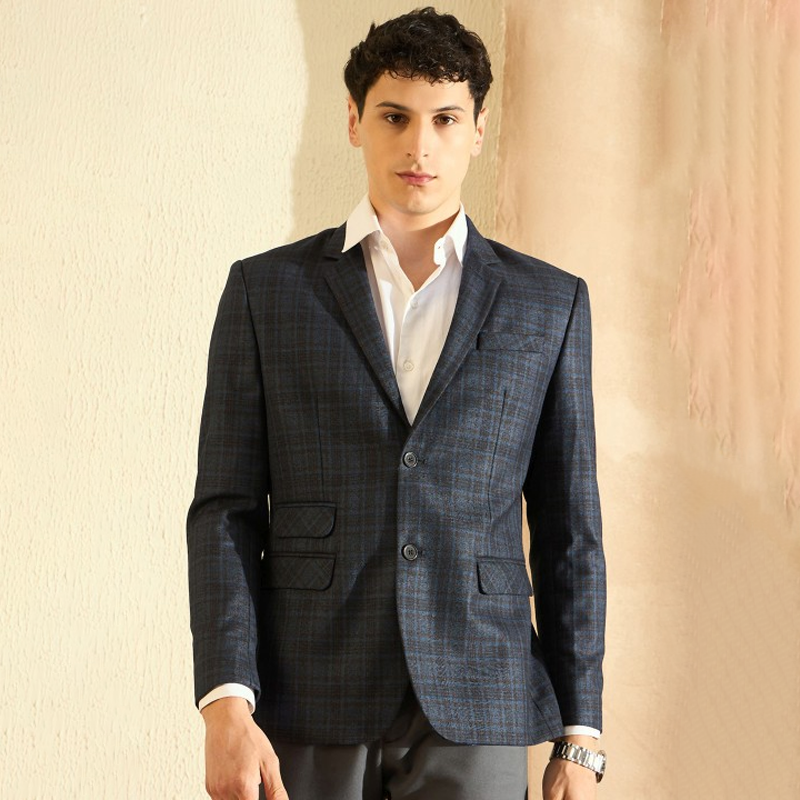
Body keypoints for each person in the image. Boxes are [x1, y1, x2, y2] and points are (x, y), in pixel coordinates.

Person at [187, 7, 606, 800]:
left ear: (479, 128)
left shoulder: (549, 304)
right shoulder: (266, 292)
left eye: (445, 119)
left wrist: (580, 737)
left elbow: (569, 531)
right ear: (353, 121)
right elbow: (225, 512)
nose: (420, 145)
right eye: (394, 117)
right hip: (309, 688)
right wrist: (225, 704)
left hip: (479, 694)